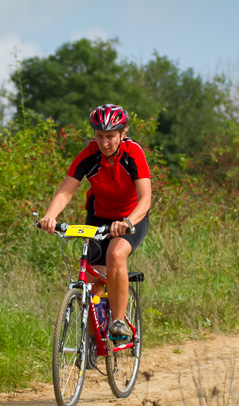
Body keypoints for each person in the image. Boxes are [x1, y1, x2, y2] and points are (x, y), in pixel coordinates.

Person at [39, 104, 151, 340]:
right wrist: (50, 216)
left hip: (131, 216)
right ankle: (93, 341)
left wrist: (128, 221)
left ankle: (119, 322)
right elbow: (66, 191)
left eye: (111, 136)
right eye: (99, 136)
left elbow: (145, 198)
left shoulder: (133, 153)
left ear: (123, 132)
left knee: (116, 255)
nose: (105, 143)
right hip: (99, 216)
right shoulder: (89, 155)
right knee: (94, 279)